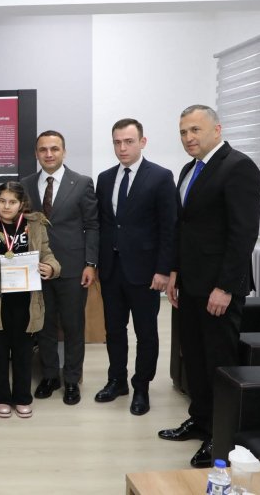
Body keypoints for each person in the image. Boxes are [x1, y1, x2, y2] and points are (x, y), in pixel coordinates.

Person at [160, 105, 260, 468]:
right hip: (190, 283)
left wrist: (226, 287)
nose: (189, 137)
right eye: (183, 132)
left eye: (195, 130)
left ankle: (222, 438)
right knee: (195, 358)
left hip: (218, 288)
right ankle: (201, 420)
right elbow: (184, 227)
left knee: (219, 362)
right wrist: (175, 271)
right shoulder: (190, 169)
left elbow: (243, 234)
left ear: (217, 129)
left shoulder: (238, 167)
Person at [94, 118, 177, 415]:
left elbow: (169, 227)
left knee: (146, 332)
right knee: (114, 330)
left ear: (142, 142)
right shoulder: (105, 178)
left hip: (146, 272)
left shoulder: (161, 177)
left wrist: (164, 270)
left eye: (128, 141)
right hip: (111, 269)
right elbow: (104, 224)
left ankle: (141, 385)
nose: (122, 148)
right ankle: (117, 380)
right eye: (117, 142)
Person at [0, 182, 60, 419]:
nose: (7, 206)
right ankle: (1, 398)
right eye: (2, 201)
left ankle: (23, 398)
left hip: (26, 300)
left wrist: (51, 268)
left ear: (22, 204)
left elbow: (47, 254)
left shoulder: (35, 225)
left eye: (12, 202)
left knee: (24, 352)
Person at [21, 131, 99, 405]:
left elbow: (92, 225)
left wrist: (90, 263)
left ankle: (72, 380)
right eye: (43, 149)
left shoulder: (82, 183)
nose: (49, 154)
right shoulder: (25, 184)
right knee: (44, 325)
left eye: (54, 148)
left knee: (73, 325)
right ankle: (50, 376)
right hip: (37, 267)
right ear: (36, 154)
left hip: (72, 268)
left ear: (64, 151)